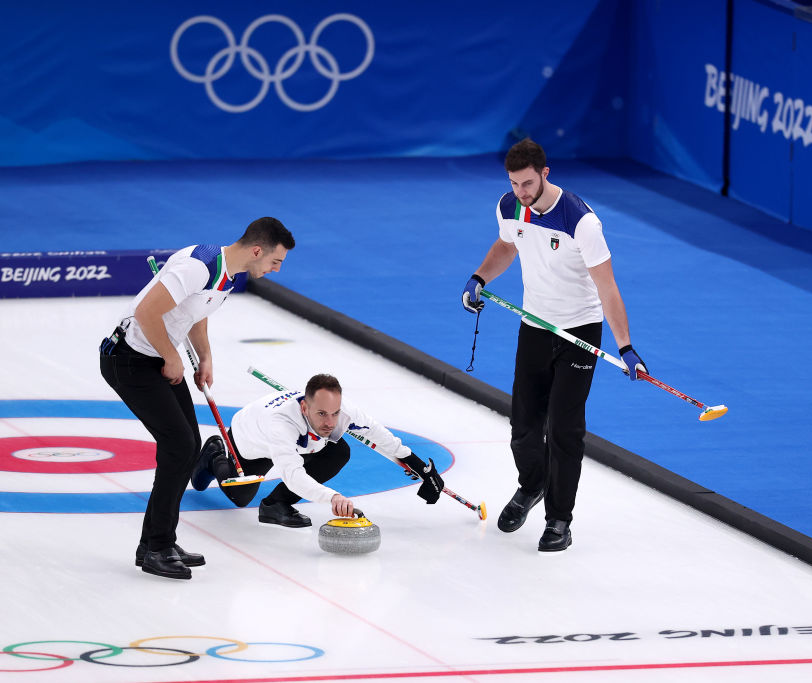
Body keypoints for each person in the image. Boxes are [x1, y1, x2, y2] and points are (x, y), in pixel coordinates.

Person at [461, 138, 646, 552]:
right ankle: (533, 484)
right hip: (535, 326)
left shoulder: (581, 222)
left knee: (564, 430)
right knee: (523, 428)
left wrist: (626, 346)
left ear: (546, 174)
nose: (521, 193)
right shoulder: (510, 206)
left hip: (579, 331)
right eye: (514, 183)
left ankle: (559, 519)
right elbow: (507, 245)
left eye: (527, 183)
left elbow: (608, 287)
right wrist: (479, 277)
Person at [99, 217, 295, 580]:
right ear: (257, 251)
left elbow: (196, 315)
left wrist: (204, 356)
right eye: (275, 261)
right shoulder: (198, 265)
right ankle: (156, 547)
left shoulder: (227, 276)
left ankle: (158, 542)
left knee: (188, 448)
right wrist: (172, 356)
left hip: (155, 357)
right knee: (177, 446)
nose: (275, 269)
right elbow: (146, 312)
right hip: (127, 358)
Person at [189, 373, 444, 525]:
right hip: (252, 441)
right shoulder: (281, 425)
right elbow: (293, 475)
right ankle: (215, 455)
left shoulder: (341, 412)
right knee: (240, 497)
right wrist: (332, 497)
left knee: (339, 451)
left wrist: (421, 467)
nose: (330, 422)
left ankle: (275, 505)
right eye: (322, 414)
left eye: (334, 413)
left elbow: (380, 436)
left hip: (300, 442)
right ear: (304, 408)